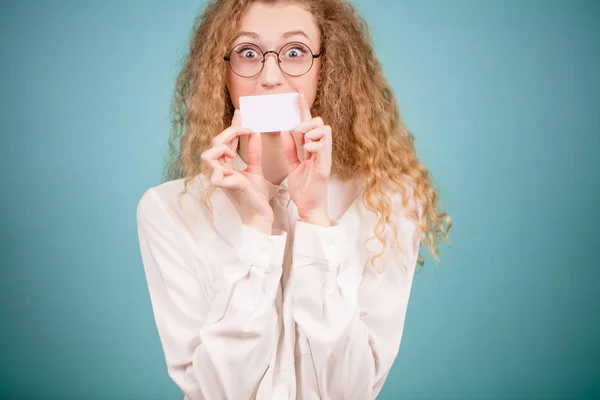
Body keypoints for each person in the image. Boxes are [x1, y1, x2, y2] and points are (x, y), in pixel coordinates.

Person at [136, 0, 451, 399]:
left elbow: (351, 391)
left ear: (327, 68)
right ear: (222, 72)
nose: (270, 77)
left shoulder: (390, 201)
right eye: (248, 53)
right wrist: (255, 229)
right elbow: (217, 392)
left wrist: (315, 217)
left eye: (295, 52)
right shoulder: (167, 211)